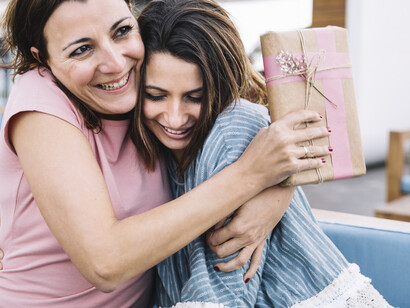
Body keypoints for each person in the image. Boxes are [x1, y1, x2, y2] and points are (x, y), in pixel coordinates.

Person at [0, 0, 331, 306]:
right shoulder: (42, 103)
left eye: (121, 31)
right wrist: (250, 176)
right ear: (42, 58)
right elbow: (105, 263)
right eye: (82, 49)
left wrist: (277, 190)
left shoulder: (147, 82)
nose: (115, 63)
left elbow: (254, 121)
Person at [134, 0, 393, 307]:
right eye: (155, 95)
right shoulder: (154, 144)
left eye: (195, 97)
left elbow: (223, 294)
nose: (174, 118)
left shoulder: (232, 129)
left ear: (222, 86)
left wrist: (280, 186)